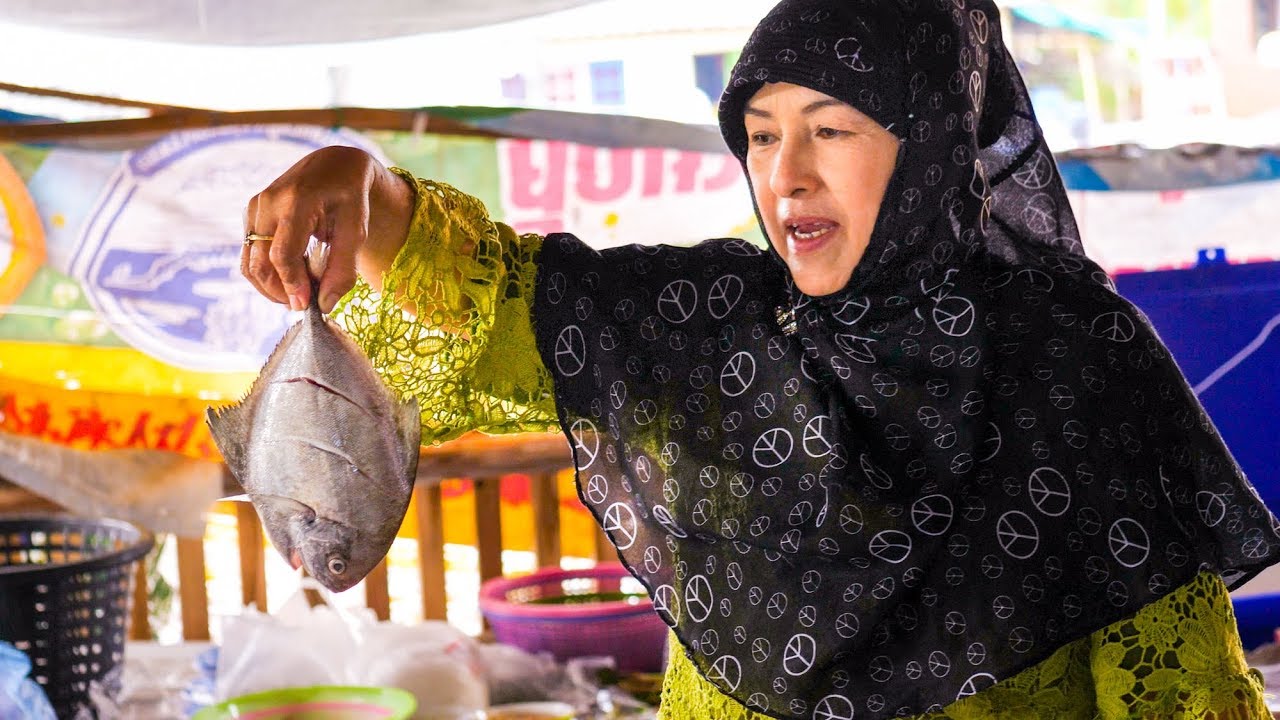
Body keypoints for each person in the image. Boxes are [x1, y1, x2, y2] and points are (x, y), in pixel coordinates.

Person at [239, 1, 1280, 717]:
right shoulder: (712, 326)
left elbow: (1177, 688)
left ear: (931, 147)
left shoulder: (1072, 362)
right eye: (760, 131)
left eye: (829, 130)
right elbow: (497, 295)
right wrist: (357, 182)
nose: (784, 176)